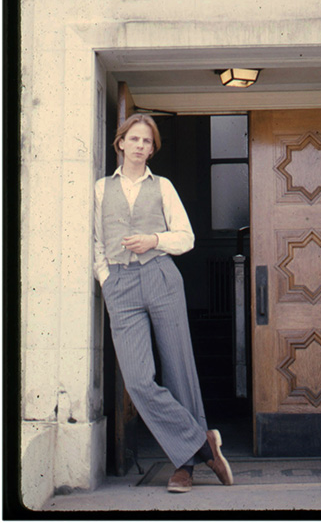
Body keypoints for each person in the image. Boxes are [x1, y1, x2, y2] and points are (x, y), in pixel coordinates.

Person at [94, 113, 233, 494]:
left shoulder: (164, 187)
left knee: (179, 370)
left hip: (160, 276)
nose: (140, 146)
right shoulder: (101, 189)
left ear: (153, 149)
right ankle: (204, 443)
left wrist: (154, 240)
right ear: (120, 143)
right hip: (120, 285)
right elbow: (93, 239)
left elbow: (185, 237)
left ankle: (183, 466)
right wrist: (106, 279)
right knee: (138, 380)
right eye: (133, 139)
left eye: (147, 141)